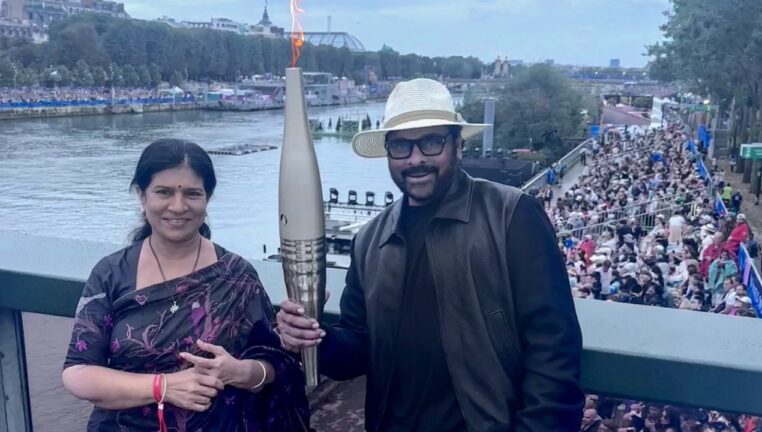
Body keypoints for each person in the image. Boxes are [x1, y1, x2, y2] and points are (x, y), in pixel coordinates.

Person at [277, 78, 584, 431]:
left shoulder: (512, 217)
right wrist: (314, 336)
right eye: (401, 147)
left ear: (457, 146)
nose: (416, 159)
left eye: (432, 142)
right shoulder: (370, 240)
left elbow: (554, 352)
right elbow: (359, 347)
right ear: (389, 153)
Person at [62, 140, 309, 431]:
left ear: (208, 198)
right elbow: (77, 372)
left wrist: (240, 372)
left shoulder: (236, 275)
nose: (178, 207)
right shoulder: (112, 273)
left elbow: (276, 362)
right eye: (163, 192)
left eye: (192, 194)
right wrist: (164, 386)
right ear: (141, 196)